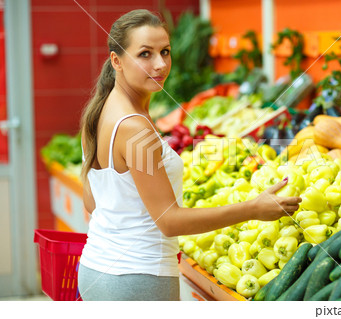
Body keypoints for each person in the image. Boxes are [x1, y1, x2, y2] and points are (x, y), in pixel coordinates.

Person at [77, 9, 301, 301]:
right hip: (137, 278)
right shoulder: (133, 127)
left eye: (165, 52)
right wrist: (254, 209)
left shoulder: (99, 112)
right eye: (145, 54)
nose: (160, 64)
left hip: (98, 268)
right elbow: (169, 221)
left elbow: (93, 202)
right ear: (116, 61)